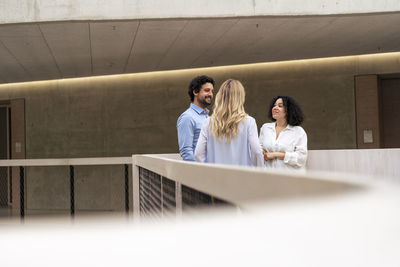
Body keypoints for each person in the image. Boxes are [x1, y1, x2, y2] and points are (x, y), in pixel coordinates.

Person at [195, 79, 263, 167]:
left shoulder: (208, 122)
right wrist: (260, 171)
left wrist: (207, 172)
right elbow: (257, 151)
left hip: (215, 177)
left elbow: (198, 154)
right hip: (242, 177)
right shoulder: (249, 122)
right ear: (240, 97)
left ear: (220, 97)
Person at [259, 96, 307, 170]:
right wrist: (261, 151)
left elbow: (301, 158)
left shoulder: (298, 131)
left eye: (280, 106)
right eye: (274, 105)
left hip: (290, 178)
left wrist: (276, 155)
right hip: (269, 176)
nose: (275, 108)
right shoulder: (266, 128)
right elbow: (260, 145)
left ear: (288, 110)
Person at [177, 75, 215, 161]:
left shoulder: (208, 117)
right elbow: (186, 152)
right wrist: (201, 170)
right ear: (195, 92)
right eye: (207, 90)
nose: (211, 94)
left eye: (212, 91)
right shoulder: (187, 117)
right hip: (200, 171)